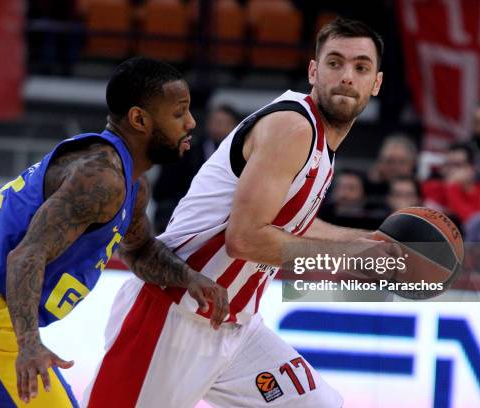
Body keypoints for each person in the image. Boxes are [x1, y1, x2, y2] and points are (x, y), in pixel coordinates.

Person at [86, 18, 400, 408]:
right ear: (313, 71)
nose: (347, 76)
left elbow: (291, 224)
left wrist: (367, 240)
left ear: (377, 83)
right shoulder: (293, 127)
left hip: (236, 329)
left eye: (361, 67)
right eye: (335, 63)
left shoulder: (322, 144)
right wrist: (350, 257)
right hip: (173, 313)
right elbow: (246, 239)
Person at [0, 57, 228, 407]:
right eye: (179, 114)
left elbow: (139, 250)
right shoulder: (101, 177)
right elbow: (26, 255)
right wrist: (29, 343)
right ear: (139, 119)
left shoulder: (131, 185)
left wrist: (189, 277)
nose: (190, 123)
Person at [153, 104, 240, 232]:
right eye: (215, 121)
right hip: (185, 213)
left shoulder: (240, 156)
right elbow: (163, 190)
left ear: (234, 126)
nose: (218, 126)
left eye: (223, 122)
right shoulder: (188, 151)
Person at [423, 143, 480, 224]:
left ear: (472, 168)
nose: (451, 170)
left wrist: (452, 187)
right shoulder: (432, 187)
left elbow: (472, 222)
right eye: (448, 165)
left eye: (458, 165)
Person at [366, 134, 417, 206]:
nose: (395, 168)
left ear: (413, 164)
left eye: (402, 162)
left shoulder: (423, 192)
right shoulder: (366, 190)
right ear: (379, 164)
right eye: (389, 161)